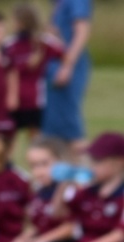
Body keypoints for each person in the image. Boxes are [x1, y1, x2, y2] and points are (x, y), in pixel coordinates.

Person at [7, 3, 63, 138]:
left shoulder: (43, 42)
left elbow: (64, 54)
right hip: (14, 97)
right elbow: (8, 69)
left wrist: (61, 72)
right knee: (10, 134)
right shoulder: (10, 44)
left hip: (36, 98)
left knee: (35, 135)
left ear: (21, 22)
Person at [41, 0, 88, 149]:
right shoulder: (58, 4)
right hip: (54, 64)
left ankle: (81, 161)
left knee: (68, 122)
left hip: (67, 65)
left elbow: (82, 31)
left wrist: (67, 65)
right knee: (53, 122)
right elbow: (54, 31)